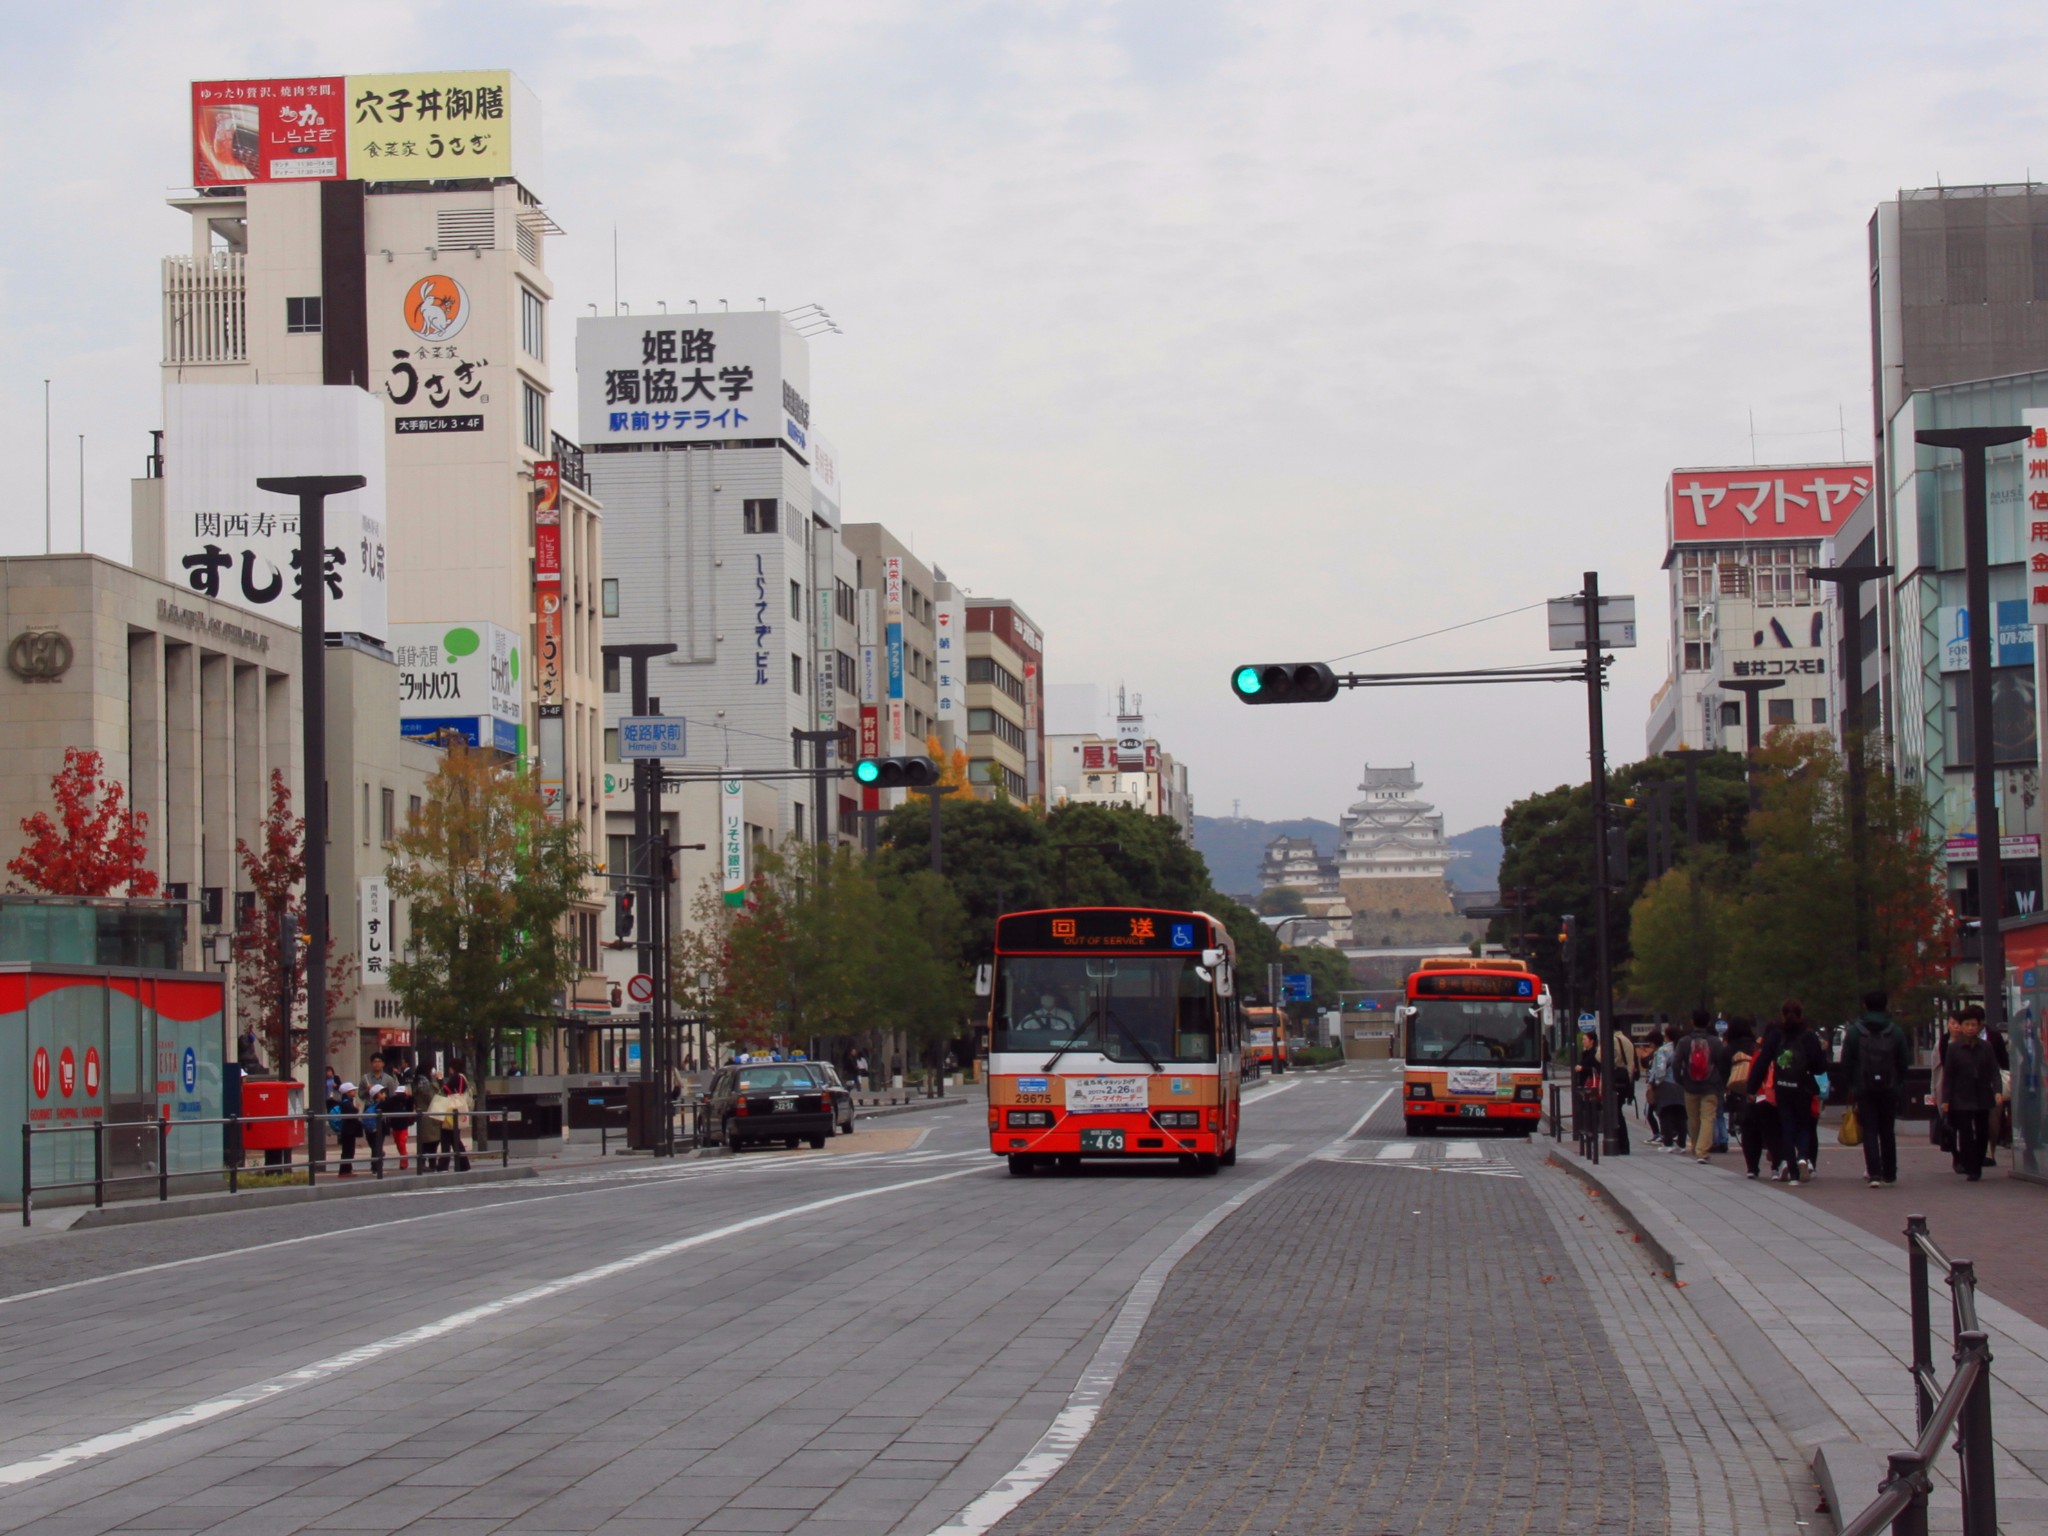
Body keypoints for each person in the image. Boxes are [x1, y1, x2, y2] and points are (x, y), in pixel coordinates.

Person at [1840, 989, 1911, 1187]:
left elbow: (1846, 1062)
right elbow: (1904, 1061)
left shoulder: (1855, 1032)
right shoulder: (1894, 1031)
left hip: (1864, 1088)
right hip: (1889, 1088)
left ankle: (1874, 1173)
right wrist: (1897, 1083)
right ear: (1885, 1005)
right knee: (1887, 1130)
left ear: (1865, 1005)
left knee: (1870, 1129)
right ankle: (1890, 1172)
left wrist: (1853, 1084)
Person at [1764, 1001, 1827, 1182]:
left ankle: (1792, 1172)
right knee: (1804, 1125)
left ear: (1783, 1015)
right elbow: (1820, 1067)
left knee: (1787, 1126)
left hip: (1782, 1087)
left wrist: (1751, 1087)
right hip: (1803, 1087)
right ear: (1801, 1014)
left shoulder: (1777, 1035)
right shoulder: (1809, 1037)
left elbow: (1764, 1061)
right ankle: (1803, 1158)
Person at [1941, 1007, 2005, 1181]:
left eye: (1974, 1025)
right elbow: (1949, 1075)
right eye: (1967, 1024)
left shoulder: (1986, 1047)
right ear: (1961, 1026)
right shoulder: (1954, 1048)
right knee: (1965, 1132)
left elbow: (1994, 1071)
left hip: (1982, 1094)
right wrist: (1945, 1099)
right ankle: (1970, 1165)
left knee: (1983, 1130)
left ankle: (1978, 1163)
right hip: (1961, 1096)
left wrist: (1998, 1090)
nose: (1970, 1028)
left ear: (1979, 1026)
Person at [1674, 1009, 1729, 1162]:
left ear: (1692, 1022)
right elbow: (1722, 1064)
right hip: (1710, 1086)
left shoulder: (1684, 1041)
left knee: (1692, 1118)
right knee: (1708, 1117)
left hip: (1690, 1085)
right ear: (1709, 1023)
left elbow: (1676, 1062)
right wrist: (1722, 1083)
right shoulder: (1715, 1042)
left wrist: (1681, 1079)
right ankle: (1702, 1150)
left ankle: (1695, 1146)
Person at [1723, 1019, 1768, 1178]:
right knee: (1765, 1126)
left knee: (1747, 1130)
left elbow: (1724, 1072)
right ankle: (1775, 1161)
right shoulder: (1757, 1046)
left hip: (1739, 1094)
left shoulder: (1729, 1049)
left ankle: (1752, 1167)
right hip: (1760, 1092)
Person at [1647, 1024, 1685, 1149]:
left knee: (1665, 1114)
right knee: (1680, 1114)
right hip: (1681, 1084)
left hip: (1666, 1084)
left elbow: (1660, 1070)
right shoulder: (1682, 1048)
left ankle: (1668, 1143)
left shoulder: (1663, 1050)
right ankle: (1682, 1143)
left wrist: (1655, 1083)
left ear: (1667, 1036)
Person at [442, 1058, 472, 1172]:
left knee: (449, 1137)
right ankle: (463, 1164)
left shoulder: (456, 1077)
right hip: (458, 1109)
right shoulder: (463, 1077)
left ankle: (446, 1165)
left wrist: (440, 1081)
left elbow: (445, 1090)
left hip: (452, 1110)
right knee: (455, 1138)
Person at [412, 1063, 442, 1172]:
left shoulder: (418, 1081)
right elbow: (432, 1098)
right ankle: (429, 1163)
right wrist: (436, 1081)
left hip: (426, 1115)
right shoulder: (424, 1082)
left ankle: (428, 1163)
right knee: (430, 1141)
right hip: (428, 1115)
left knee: (427, 1141)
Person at [330, 1081, 361, 1176]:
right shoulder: (346, 1103)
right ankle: (344, 1171)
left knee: (348, 1151)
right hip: (348, 1130)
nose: (355, 1092)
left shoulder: (347, 1102)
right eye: (352, 1090)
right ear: (347, 1092)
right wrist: (356, 1110)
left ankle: (347, 1170)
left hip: (348, 1130)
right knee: (348, 1151)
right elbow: (350, 1116)